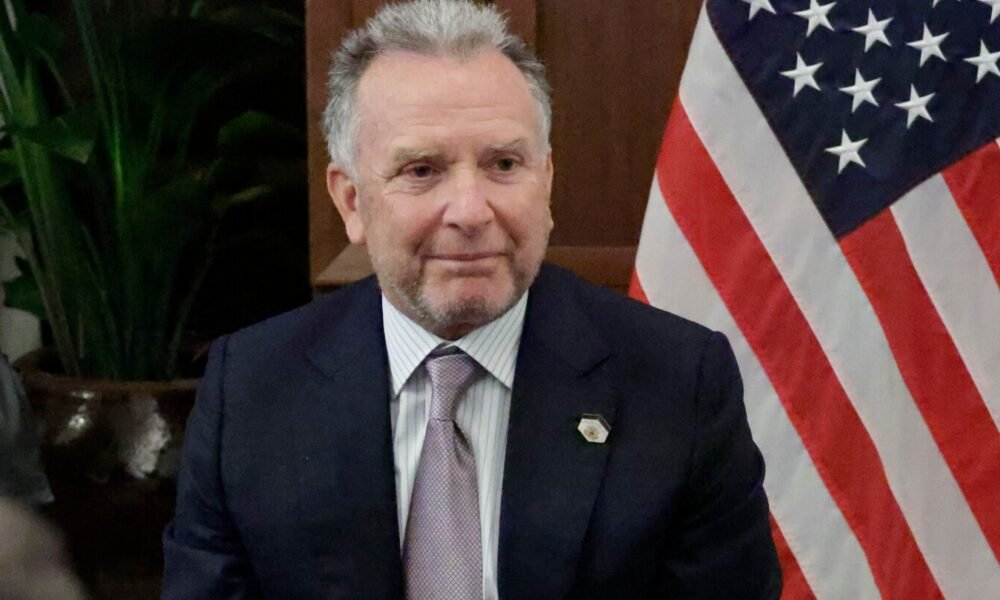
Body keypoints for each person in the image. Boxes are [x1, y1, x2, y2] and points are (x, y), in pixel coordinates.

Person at [162, 1, 781, 598]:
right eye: (422, 170)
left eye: (504, 164)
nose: (470, 211)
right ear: (352, 201)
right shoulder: (252, 392)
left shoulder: (677, 385)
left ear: (546, 183)